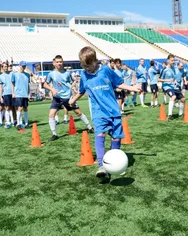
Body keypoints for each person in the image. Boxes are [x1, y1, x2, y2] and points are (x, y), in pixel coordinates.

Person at [69, 46, 141, 179]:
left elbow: (118, 83)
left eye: (89, 65)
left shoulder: (106, 70)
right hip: (98, 112)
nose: (87, 69)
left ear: (96, 60)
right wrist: (73, 100)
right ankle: (102, 165)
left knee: (116, 137)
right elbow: (81, 91)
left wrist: (133, 88)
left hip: (113, 110)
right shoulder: (84, 75)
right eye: (84, 66)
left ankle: (114, 163)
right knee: (100, 133)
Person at [43, 55, 94, 142]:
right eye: (57, 62)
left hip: (68, 97)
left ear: (63, 62)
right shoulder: (51, 74)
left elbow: (71, 83)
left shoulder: (67, 73)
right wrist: (51, 89)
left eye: (61, 62)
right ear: (54, 63)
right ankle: (54, 134)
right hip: (57, 98)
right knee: (51, 115)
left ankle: (89, 127)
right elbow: (44, 84)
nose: (59, 63)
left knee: (78, 113)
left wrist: (73, 89)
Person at [159, 54, 186, 119]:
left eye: (174, 60)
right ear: (168, 60)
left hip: (174, 86)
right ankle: (170, 115)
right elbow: (159, 79)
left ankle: (180, 114)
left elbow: (174, 78)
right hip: (167, 86)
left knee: (183, 99)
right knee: (173, 97)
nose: (173, 62)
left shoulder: (174, 68)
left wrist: (175, 81)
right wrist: (167, 80)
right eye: (172, 60)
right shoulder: (164, 69)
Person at [11, 61, 31, 129]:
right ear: (19, 66)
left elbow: (28, 85)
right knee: (20, 108)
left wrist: (29, 93)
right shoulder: (15, 74)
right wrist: (13, 93)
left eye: (24, 66)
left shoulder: (27, 75)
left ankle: (26, 123)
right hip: (18, 94)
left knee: (25, 108)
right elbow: (13, 84)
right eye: (22, 66)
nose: (23, 67)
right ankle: (18, 123)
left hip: (25, 94)